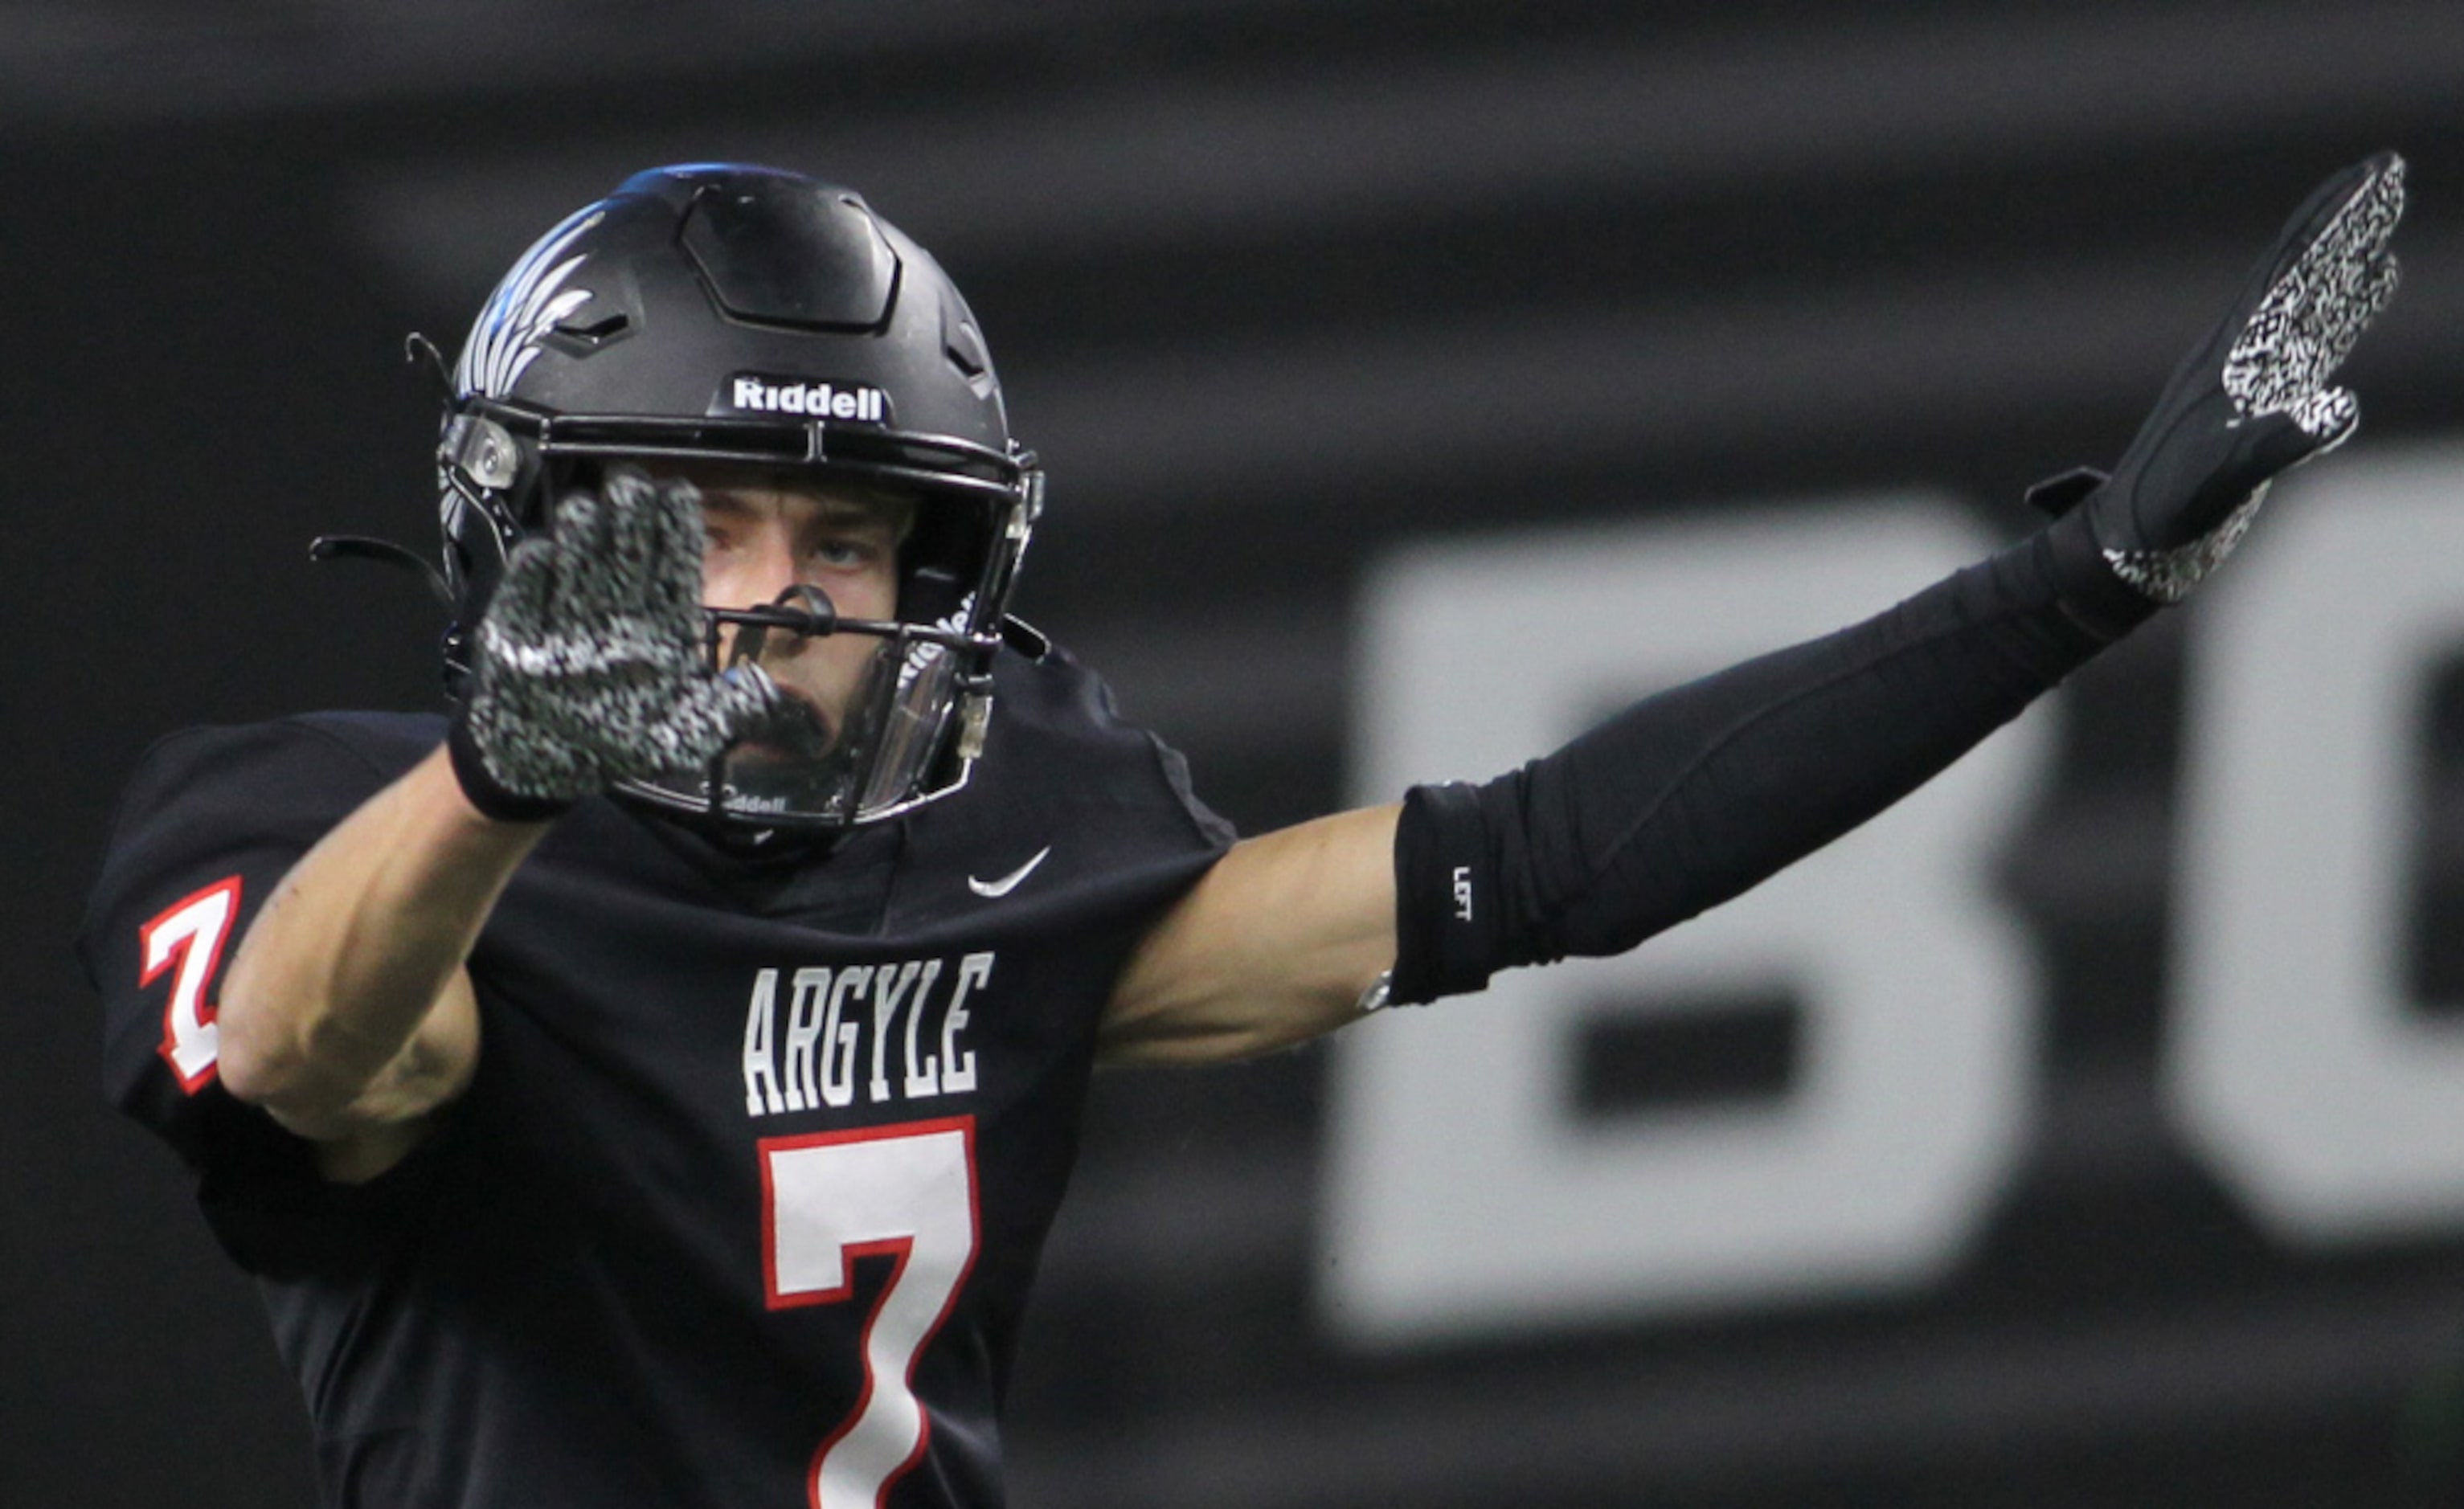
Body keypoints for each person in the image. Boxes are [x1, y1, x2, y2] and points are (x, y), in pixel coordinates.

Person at [79, 154, 2404, 1507]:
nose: (787, 596)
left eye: (852, 535)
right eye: (707, 523)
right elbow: (312, 1054)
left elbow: (1538, 859)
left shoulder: (1009, 832)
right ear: (539, 529)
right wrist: (501, 774)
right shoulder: (321, 836)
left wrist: (2068, 586)